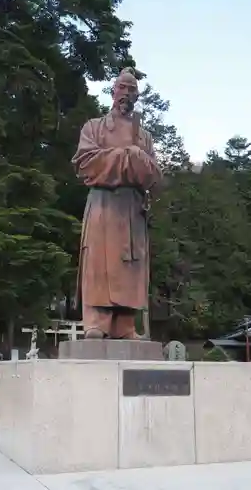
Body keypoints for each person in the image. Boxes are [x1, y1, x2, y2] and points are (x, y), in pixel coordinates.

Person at [72, 67, 162, 339]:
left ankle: (125, 325)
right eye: (122, 87)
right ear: (113, 91)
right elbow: (86, 164)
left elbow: (154, 175)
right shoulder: (94, 127)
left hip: (132, 208)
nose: (126, 93)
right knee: (99, 263)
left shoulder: (144, 136)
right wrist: (127, 157)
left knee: (130, 264)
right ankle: (96, 323)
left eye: (132, 89)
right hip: (103, 203)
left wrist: (138, 159)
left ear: (137, 95)